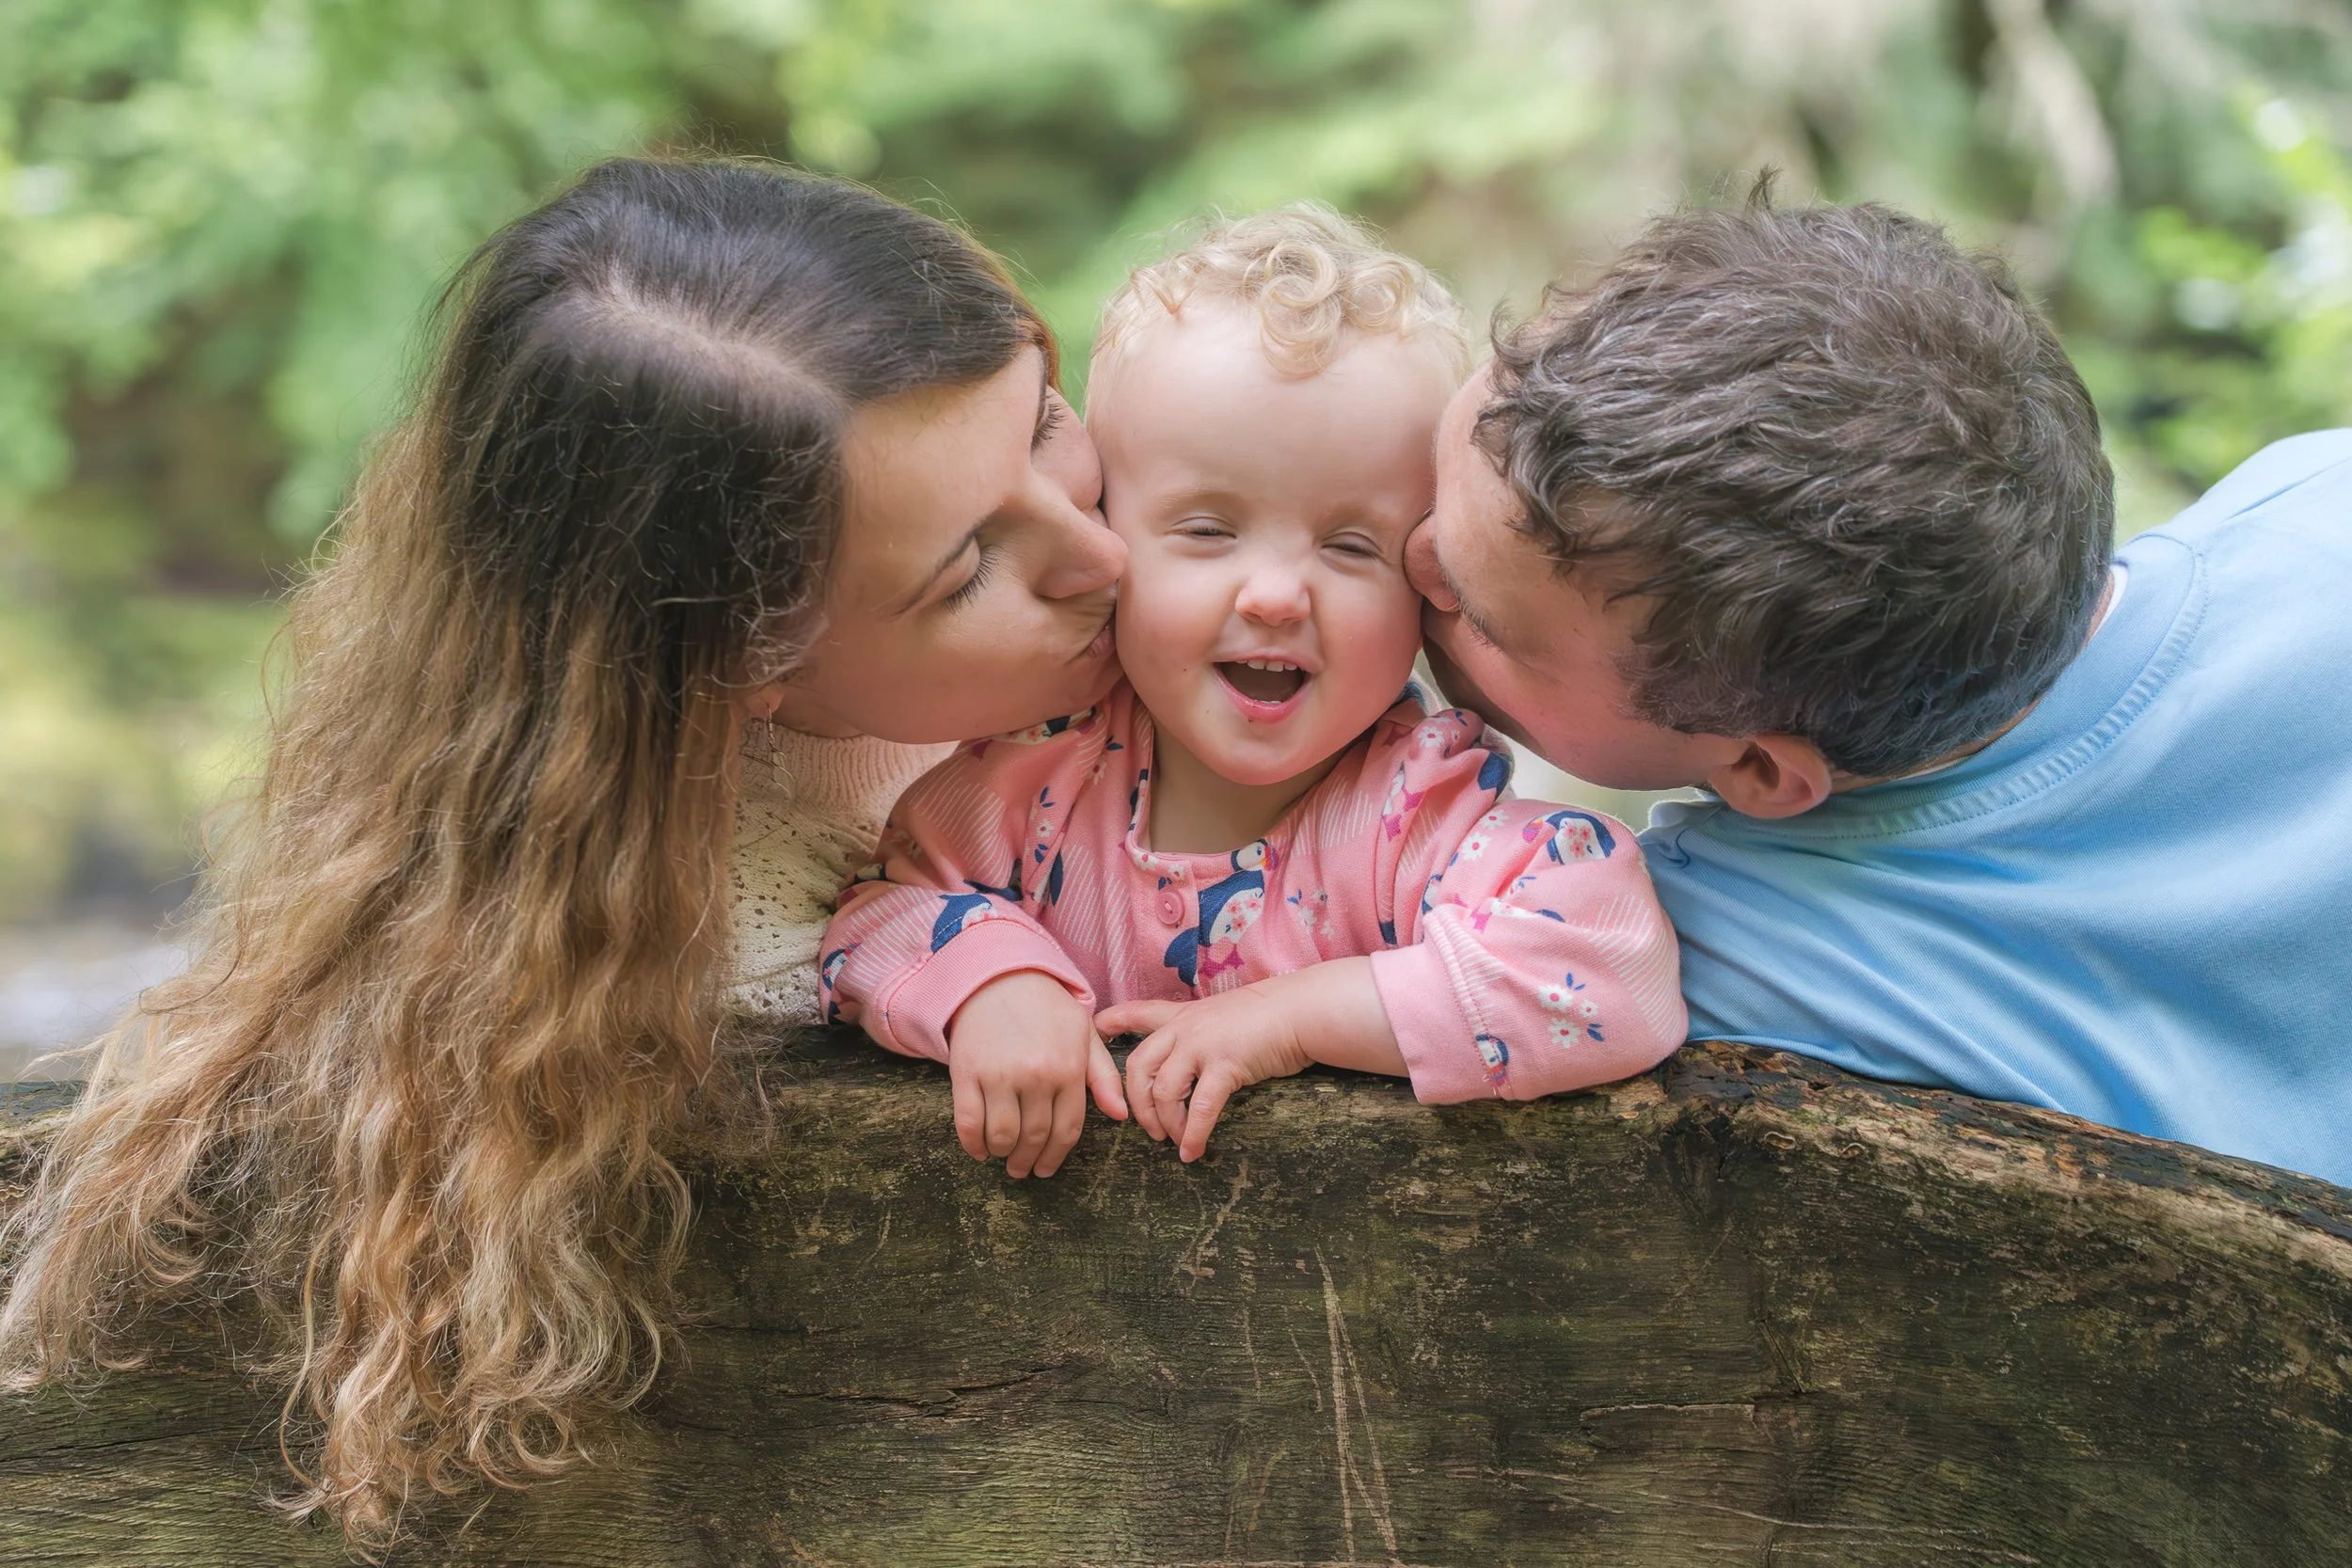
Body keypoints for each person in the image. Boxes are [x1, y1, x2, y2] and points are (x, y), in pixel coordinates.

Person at [0, 156, 1129, 1545]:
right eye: (969, 569)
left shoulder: (1178, 596)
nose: (1101, 553)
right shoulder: (721, 943)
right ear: (739, 662)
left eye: (1048, 424)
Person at [1406, 188, 2352, 1187]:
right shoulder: (2317, 507)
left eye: (1480, 615)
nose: (1410, 560)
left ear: (1764, 767)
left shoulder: (1688, 959)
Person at [820, 209, 1688, 1173]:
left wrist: (1295, 1017)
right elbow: (880, 907)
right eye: (1205, 530)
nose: (1275, 594)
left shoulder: (1422, 815)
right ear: (1112, 538)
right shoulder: (1031, 771)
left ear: (1424, 580)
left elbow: (1609, 971)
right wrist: (991, 982)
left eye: (1351, 545)